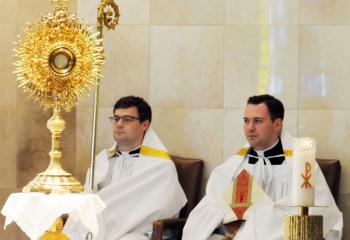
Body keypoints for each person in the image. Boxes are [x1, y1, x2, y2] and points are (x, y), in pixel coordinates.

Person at [182, 94, 343, 240]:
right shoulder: (235, 164)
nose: (250, 128)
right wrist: (226, 218)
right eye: (246, 121)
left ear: (277, 124)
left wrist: (256, 219)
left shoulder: (302, 163)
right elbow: (210, 207)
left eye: (258, 121)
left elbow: (311, 216)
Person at [64, 96, 187, 240]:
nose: (119, 124)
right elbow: (88, 200)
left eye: (127, 119)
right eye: (116, 118)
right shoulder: (102, 160)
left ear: (145, 125)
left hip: (139, 232)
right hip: (100, 226)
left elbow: (162, 210)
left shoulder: (160, 166)